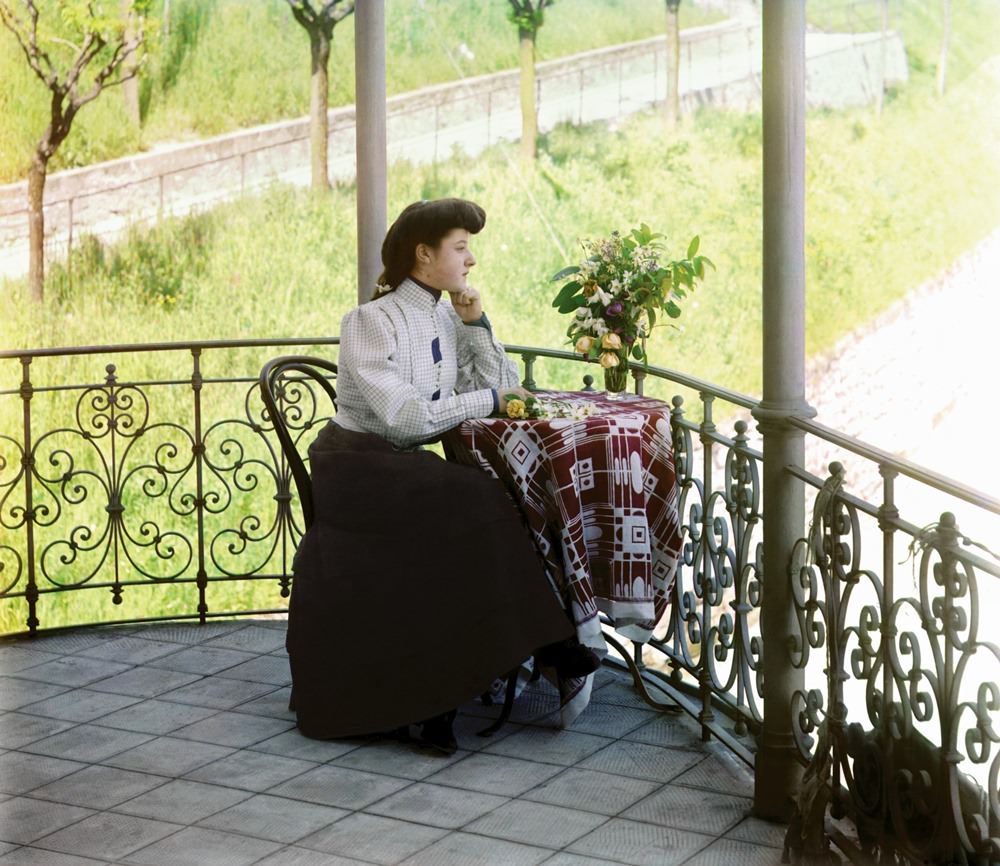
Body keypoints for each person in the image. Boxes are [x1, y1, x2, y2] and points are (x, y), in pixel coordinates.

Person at [286, 198, 594, 755]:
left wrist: (477, 326)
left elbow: (504, 388)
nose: (471, 259)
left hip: (401, 467)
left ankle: (466, 685)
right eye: (460, 247)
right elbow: (404, 416)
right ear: (424, 255)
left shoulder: (447, 317)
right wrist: (491, 395)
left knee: (476, 499)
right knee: (473, 495)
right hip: (354, 466)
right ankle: (546, 642)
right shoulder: (368, 322)